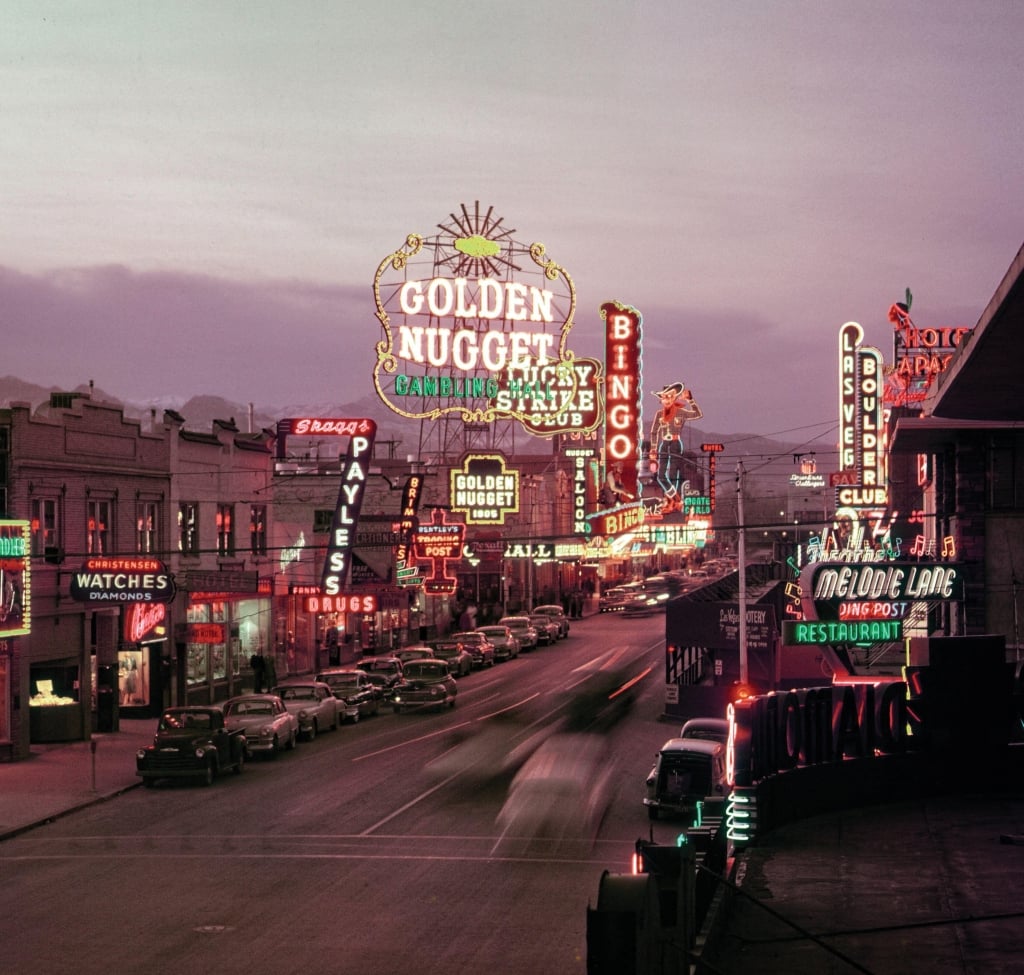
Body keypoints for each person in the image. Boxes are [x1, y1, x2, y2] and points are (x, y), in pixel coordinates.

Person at [648, 381, 702, 514]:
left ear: (674, 397)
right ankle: (676, 500)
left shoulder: (680, 412)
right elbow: (654, 431)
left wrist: (691, 400)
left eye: (669, 397)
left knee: (672, 474)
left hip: (675, 444)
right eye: (663, 397)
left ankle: (672, 502)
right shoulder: (659, 414)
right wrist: (653, 448)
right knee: (661, 476)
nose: (666, 400)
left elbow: (697, 414)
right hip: (663, 445)